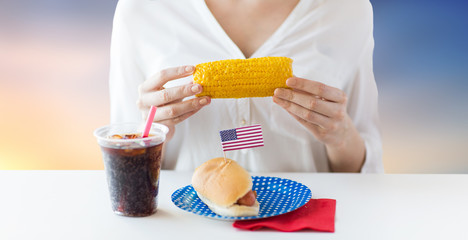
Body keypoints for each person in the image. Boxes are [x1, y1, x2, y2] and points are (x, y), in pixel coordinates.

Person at [109, 0, 384, 173]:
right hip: (187, 224)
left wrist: (341, 136)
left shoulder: (348, 9)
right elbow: (123, 168)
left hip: (305, 224)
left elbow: (364, 173)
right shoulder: (141, 9)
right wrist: (150, 135)